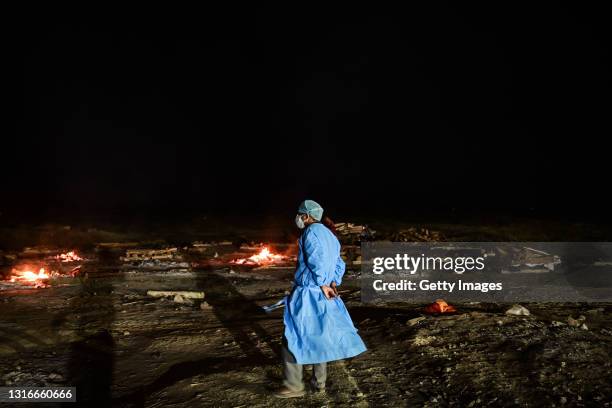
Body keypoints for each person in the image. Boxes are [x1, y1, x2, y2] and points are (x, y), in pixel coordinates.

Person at [274, 199, 367, 398]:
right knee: (320, 335)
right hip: (324, 291)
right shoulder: (330, 235)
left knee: (292, 336)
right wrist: (333, 282)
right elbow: (339, 263)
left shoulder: (310, 233)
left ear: (306, 216)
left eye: (300, 214)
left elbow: (317, 260)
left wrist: (322, 282)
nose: (298, 218)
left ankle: (294, 386)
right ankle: (319, 384)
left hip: (310, 292)